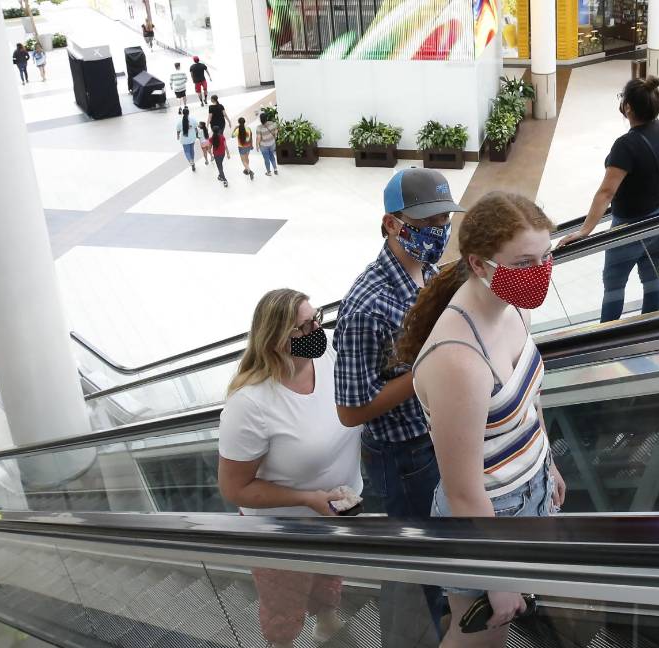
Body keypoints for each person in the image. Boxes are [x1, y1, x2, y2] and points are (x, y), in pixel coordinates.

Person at [396, 192, 565, 648]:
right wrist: (497, 574)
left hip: (529, 493)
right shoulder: (458, 359)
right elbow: (463, 490)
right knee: (480, 640)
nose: (541, 271)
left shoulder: (512, 307)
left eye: (546, 256)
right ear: (479, 264)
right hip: (489, 515)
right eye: (525, 261)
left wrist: (547, 463)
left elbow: (529, 400)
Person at [333, 167, 464, 647]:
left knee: (436, 551)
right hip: (400, 457)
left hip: (432, 438)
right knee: (412, 567)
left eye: (443, 221)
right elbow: (350, 410)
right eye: (425, 223)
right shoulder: (365, 306)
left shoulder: (428, 273)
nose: (438, 232)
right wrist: (427, 370)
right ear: (391, 223)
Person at [218, 289, 361, 648]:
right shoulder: (250, 404)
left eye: (317, 319)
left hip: (334, 512)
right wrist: (308, 499)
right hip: (282, 530)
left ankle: (327, 624)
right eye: (304, 327)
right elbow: (235, 488)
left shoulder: (329, 355)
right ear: (276, 340)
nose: (317, 330)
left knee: (328, 576)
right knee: (284, 604)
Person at [557, 77, 659, 323]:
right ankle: (651, 326)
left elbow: (606, 192)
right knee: (652, 277)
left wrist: (585, 231)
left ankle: (608, 332)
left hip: (629, 226)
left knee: (614, 283)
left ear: (628, 107)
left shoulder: (626, 145)